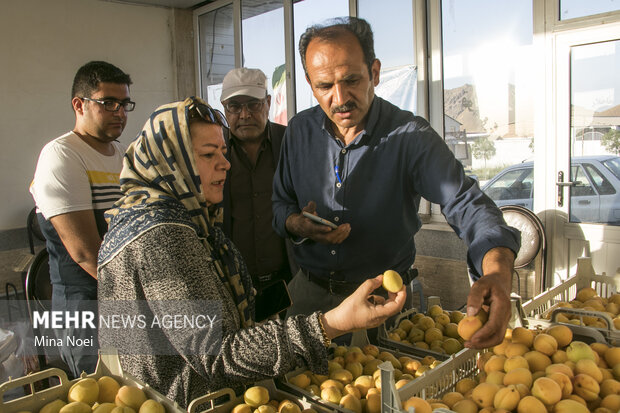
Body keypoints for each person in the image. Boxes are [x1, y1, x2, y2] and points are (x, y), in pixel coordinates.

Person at [97, 97, 406, 408]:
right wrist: (333, 323)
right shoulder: (160, 235)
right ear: (170, 163)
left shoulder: (183, 220)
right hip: (192, 402)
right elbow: (216, 354)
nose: (225, 163)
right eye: (208, 154)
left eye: (222, 151)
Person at [271, 17, 521, 349]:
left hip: (380, 306)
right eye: (324, 86)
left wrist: (497, 271)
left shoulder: (410, 137)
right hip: (308, 300)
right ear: (309, 83)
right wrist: (297, 223)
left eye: (352, 80)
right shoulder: (299, 132)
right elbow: (279, 205)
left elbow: (465, 202)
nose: (340, 98)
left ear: (374, 72)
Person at [30, 61, 133, 377]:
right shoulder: (61, 155)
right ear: (79, 104)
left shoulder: (121, 154)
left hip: (119, 296)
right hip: (84, 303)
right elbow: (86, 252)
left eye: (124, 103)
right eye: (108, 103)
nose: (119, 112)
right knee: (98, 389)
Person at [219, 68, 296, 301]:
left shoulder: (290, 141)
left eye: (253, 104)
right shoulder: (213, 150)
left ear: (268, 103)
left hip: (288, 279)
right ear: (224, 109)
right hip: (234, 285)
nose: (244, 115)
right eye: (235, 106)